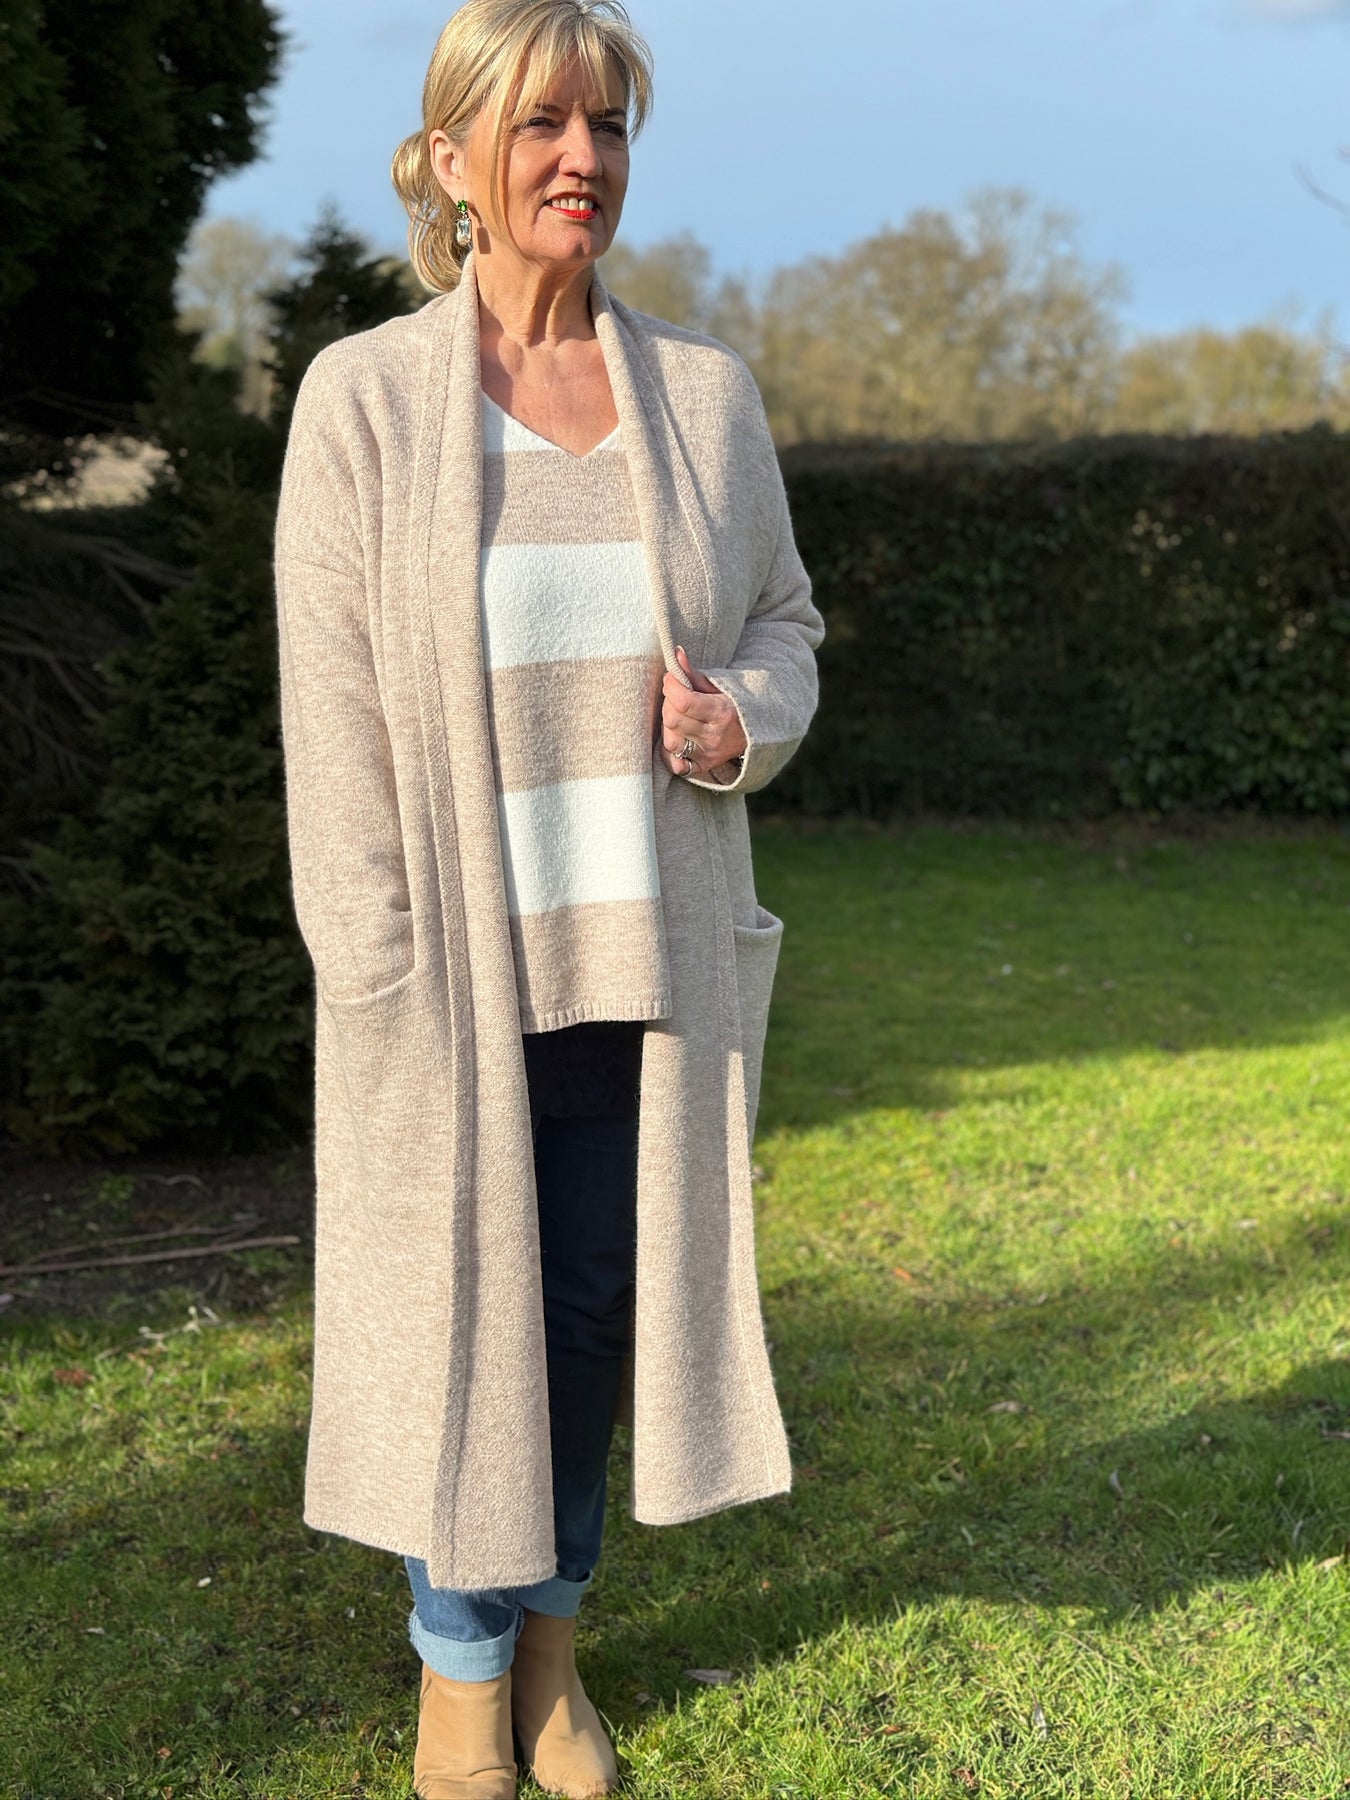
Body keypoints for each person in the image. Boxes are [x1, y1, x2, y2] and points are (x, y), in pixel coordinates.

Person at [272, 1, 825, 1794]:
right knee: (462, 1330)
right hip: (448, 976)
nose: (581, 158)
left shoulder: (703, 397)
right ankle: (458, 1674)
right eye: (538, 125)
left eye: (606, 125)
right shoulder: (365, 401)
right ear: (451, 161)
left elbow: (784, 622)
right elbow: (333, 721)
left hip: (640, 963)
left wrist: (739, 718)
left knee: (586, 1324)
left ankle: (552, 1658)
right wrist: (374, 963)